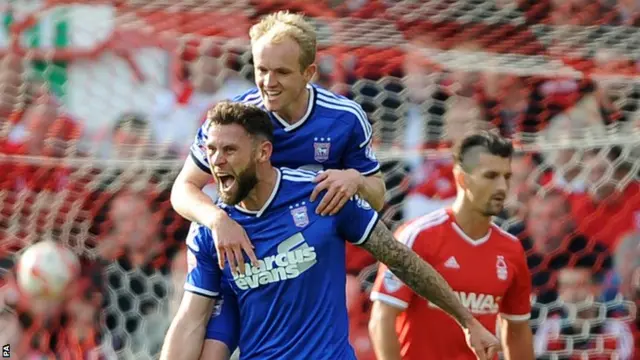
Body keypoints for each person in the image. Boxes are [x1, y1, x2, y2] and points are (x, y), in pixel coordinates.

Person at [160, 102, 500, 360]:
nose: (216, 161)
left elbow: (400, 259)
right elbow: (192, 318)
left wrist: (468, 321)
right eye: (211, 150)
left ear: (263, 152)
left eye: (229, 150)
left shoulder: (322, 195)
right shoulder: (210, 230)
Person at [170, 10, 386, 274]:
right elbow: (183, 188)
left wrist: (356, 180)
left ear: (309, 73)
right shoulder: (234, 119)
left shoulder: (344, 119)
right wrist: (217, 220)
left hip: (309, 257)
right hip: (241, 251)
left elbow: (377, 196)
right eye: (262, 70)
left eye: (282, 72)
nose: (269, 83)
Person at [369, 131, 535, 360]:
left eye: (506, 176)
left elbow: (517, 330)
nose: (502, 187)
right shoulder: (418, 236)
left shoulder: (512, 249)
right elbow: (382, 318)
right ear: (462, 179)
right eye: (490, 176)